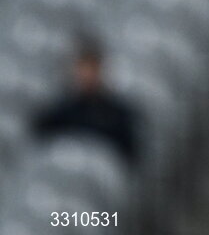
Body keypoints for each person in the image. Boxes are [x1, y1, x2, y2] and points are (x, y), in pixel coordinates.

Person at [32, 31, 140, 165]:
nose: (87, 75)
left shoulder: (119, 115)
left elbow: (129, 157)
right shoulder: (58, 113)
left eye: (92, 68)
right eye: (83, 68)